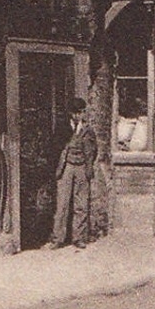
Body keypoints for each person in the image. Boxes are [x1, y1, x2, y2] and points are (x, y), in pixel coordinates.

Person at [46, 98, 95, 249]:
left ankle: (78, 237)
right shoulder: (62, 127)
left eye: (81, 112)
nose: (79, 115)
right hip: (66, 166)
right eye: (76, 113)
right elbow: (55, 147)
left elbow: (93, 149)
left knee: (81, 203)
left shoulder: (87, 130)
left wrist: (88, 166)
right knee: (62, 203)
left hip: (81, 167)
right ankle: (57, 238)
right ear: (71, 114)